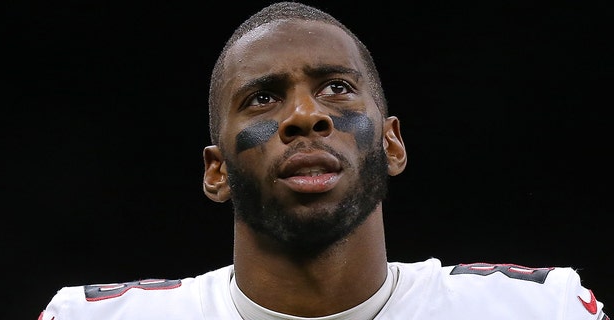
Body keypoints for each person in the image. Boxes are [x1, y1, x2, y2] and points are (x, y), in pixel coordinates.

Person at [38, 2, 608, 319]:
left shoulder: (539, 310)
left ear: (392, 143)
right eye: (262, 98)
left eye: (336, 88)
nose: (306, 116)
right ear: (216, 172)